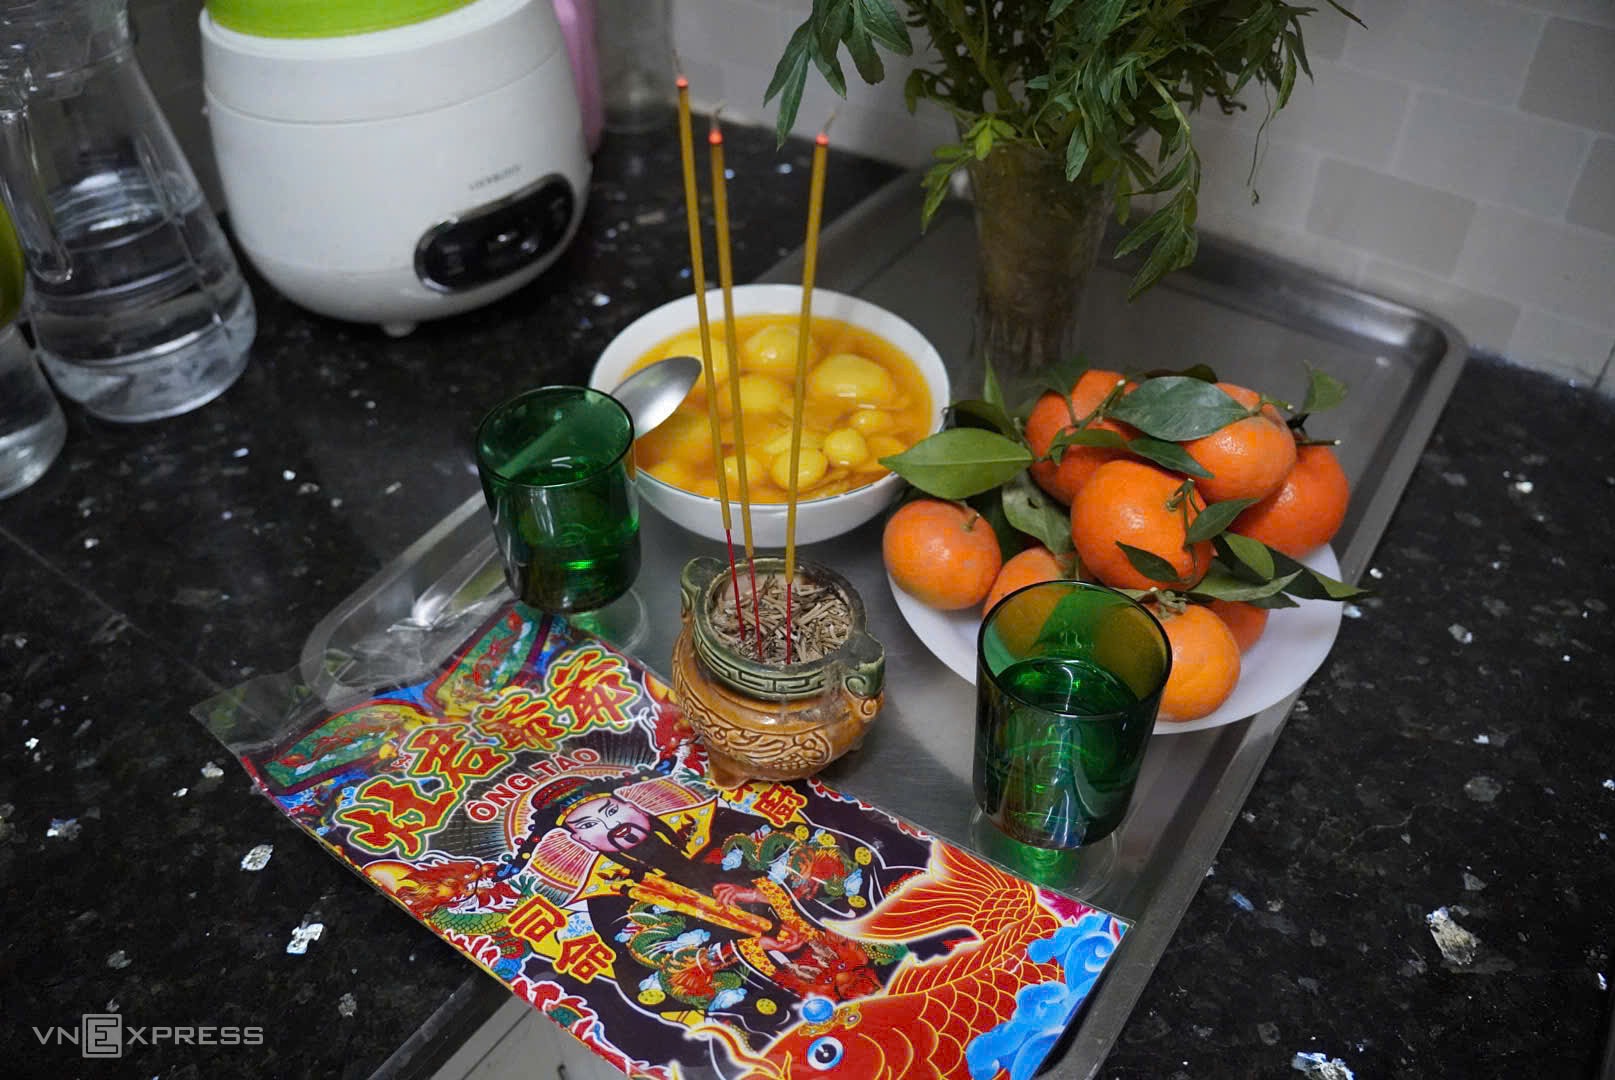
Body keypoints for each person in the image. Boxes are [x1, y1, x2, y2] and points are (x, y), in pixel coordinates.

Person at [511, 769, 905, 1043]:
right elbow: (650, 972)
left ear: (634, 806)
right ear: (582, 842)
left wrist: (768, 893)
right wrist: (741, 950)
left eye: (612, 812)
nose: (612, 826)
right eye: (589, 826)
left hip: (849, 942)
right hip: (781, 996)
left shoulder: (716, 825)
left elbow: (815, 854)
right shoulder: (611, 900)